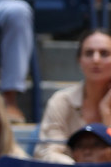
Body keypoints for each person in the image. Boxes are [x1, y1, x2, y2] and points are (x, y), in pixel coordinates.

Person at [36, 30, 111, 161]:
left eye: (104, 53)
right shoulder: (61, 101)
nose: (96, 59)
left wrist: (106, 112)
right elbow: (47, 152)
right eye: (89, 53)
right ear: (79, 60)